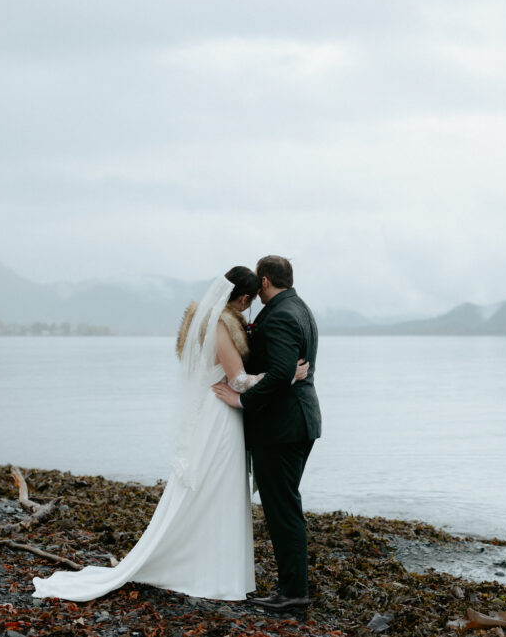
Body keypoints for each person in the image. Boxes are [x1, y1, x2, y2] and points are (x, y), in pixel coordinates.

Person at [31, 266, 308, 602]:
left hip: (220, 412)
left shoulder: (211, 320)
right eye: (249, 303)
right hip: (221, 414)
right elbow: (236, 381)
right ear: (244, 298)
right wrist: (286, 375)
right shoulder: (221, 324)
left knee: (218, 490)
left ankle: (218, 569)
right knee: (215, 490)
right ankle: (208, 570)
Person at [213, 255, 321, 611]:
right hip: (297, 423)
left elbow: (278, 375)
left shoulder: (279, 316)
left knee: (283, 509)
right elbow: (285, 371)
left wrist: (241, 402)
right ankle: (292, 587)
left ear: (263, 282)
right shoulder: (300, 308)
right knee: (285, 505)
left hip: (282, 428)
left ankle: (293, 593)